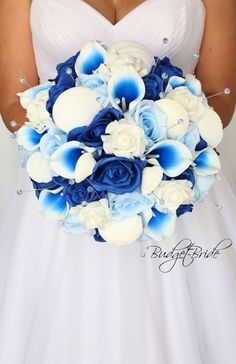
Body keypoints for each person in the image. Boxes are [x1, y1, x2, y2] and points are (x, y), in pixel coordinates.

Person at [0, 1, 236, 363]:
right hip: (62, 189)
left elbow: (221, 97)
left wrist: (148, 134)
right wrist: (84, 149)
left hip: (174, 191)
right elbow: (12, 105)